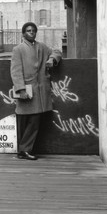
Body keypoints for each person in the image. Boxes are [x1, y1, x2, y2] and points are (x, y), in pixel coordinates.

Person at [10, 22, 62, 160]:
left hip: (39, 94)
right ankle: (23, 150)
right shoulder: (18, 49)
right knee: (24, 122)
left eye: (33, 30)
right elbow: (15, 72)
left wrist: (52, 60)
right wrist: (21, 90)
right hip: (26, 91)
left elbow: (57, 51)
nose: (31, 32)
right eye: (28, 30)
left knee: (34, 121)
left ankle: (24, 150)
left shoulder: (42, 47)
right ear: (23, 34)